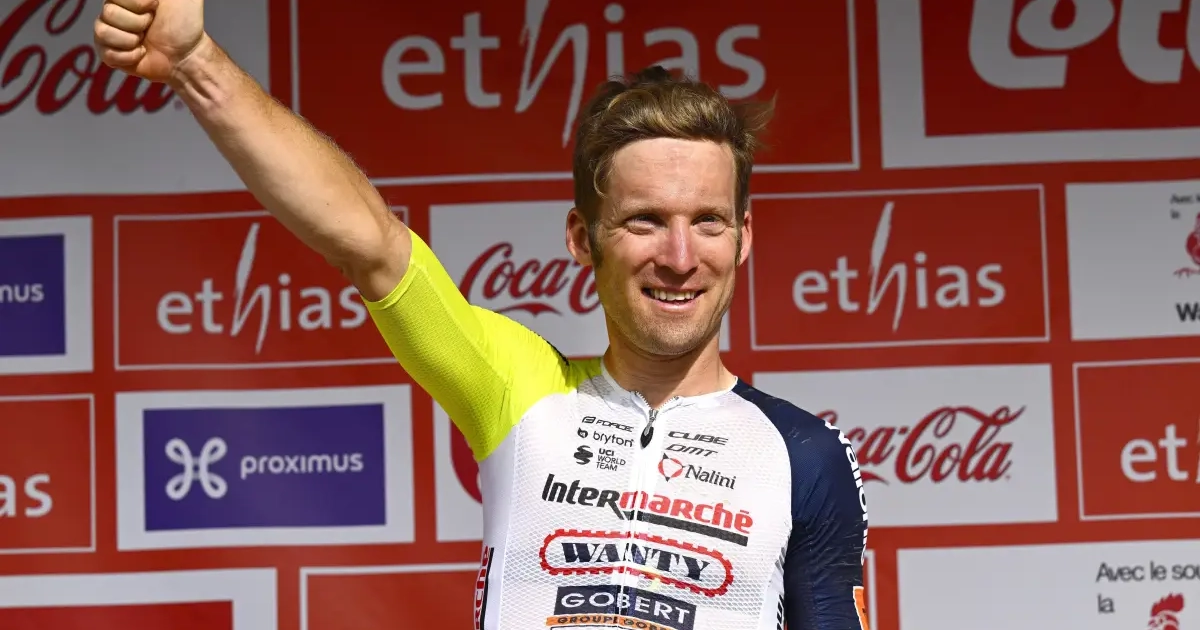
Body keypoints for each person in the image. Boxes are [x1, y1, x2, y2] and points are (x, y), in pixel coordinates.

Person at [92, 1, 870, 628]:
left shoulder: (802, 454)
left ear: (743, 239)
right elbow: (369, 243)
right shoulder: (518, 386)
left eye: (708, 221)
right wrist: (196, 64)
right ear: (582, 238)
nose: (678, 255)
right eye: (643, 221)